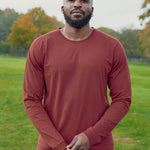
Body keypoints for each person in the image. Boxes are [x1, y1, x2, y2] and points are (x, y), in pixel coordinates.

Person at [23, 0, 131, 149]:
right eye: (71, 0)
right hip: (51, 145)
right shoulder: (41, 46)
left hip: (98, 145)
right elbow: (31, 100)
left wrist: (90, 137)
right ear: (62, 7)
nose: (77, 4)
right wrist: (58, 144)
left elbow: (123, 100)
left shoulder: (112, 47)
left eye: (84, 1)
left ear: (92, 9)